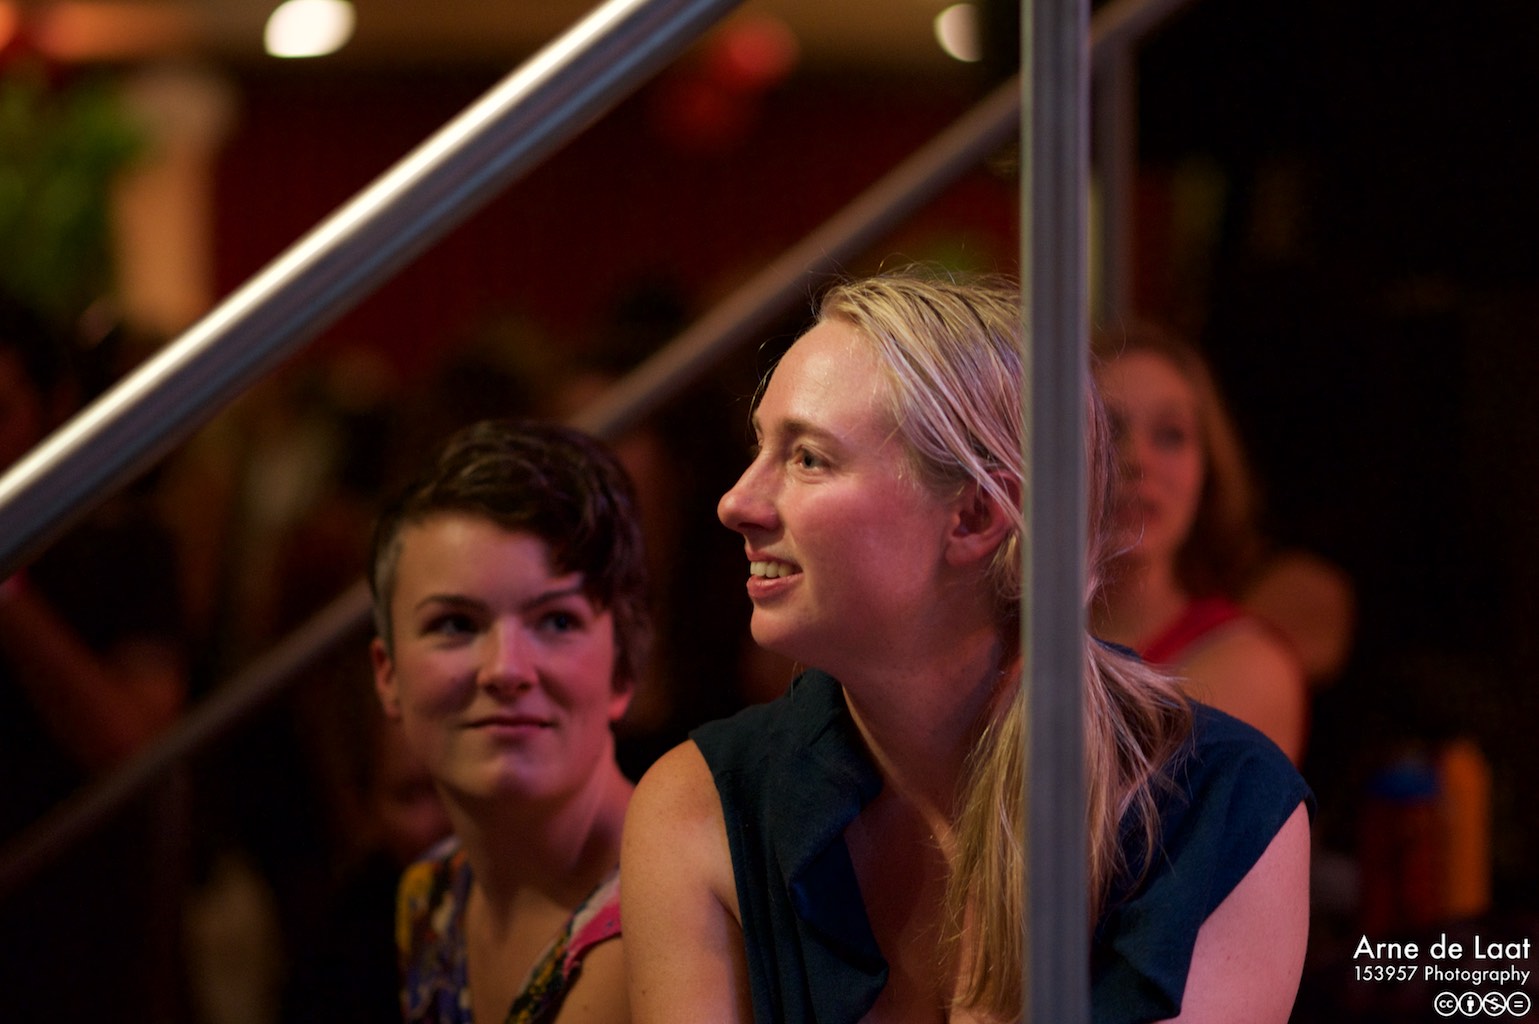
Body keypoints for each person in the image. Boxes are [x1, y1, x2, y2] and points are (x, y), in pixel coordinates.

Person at [622, 271, 1313, 1023]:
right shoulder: (702, 804)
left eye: (808, 458)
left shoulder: (1223, 805)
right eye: (760, 446)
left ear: (976, 516)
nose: (737, 503)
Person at [367, 419, 648, 1023]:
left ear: (623, 666)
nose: (505, 669)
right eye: (456, 624)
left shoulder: (678, 923)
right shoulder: (431, 898)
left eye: (557, 621)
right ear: (387, 674)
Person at [1090, 322, 1310, 763]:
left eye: (1171, 435)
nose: (1136, 459)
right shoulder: (1010, 639)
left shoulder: (1248, 662)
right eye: (1107, 430)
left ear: (1207, 473)